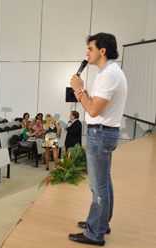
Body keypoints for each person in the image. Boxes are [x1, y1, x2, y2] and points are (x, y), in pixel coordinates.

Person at [68, 33, 127, 246]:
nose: (87, 53)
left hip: (100, 134)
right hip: (104, 132)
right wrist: (82, 93)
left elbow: (92, 110)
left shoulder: (108, 75)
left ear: (102, 50)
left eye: (90, 48)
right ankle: (102, 223)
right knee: (104, 182)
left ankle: (96, 233)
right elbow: (94, 105)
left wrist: (79, 89)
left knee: (98, 186)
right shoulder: (110, 72)